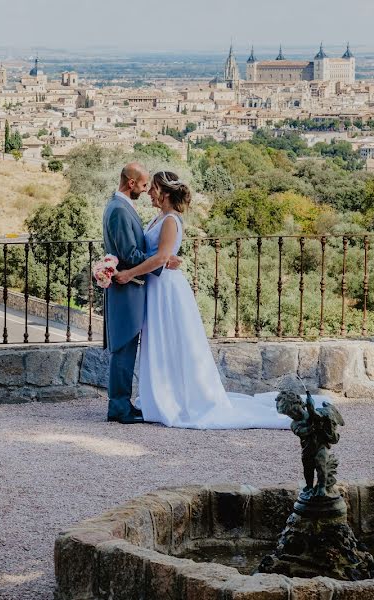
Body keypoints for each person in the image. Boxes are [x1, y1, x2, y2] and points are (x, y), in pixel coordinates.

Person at [114, 171, 300, 429]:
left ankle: (177, 399)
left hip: (166, 288)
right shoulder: (160, 218)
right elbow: (158, 254)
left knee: (172, 340)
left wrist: (128, 274)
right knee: (162, 341)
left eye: (154, 188)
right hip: (156, 286)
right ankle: (164, 395)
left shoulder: (170, 220)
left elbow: (160, 258)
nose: (149, 193)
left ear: (165, 193)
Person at [102, 163, 181, 424]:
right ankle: (119, 408)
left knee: (127, 346)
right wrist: (161, 259)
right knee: (124, 346)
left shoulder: (122, 207)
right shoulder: (120, 210)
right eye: (145, 185)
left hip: (134, 286)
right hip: (128, 287)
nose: (147, 190)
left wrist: (162, 258)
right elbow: (129, 254)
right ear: (131, 183)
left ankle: (124, 403)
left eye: (151, 186)